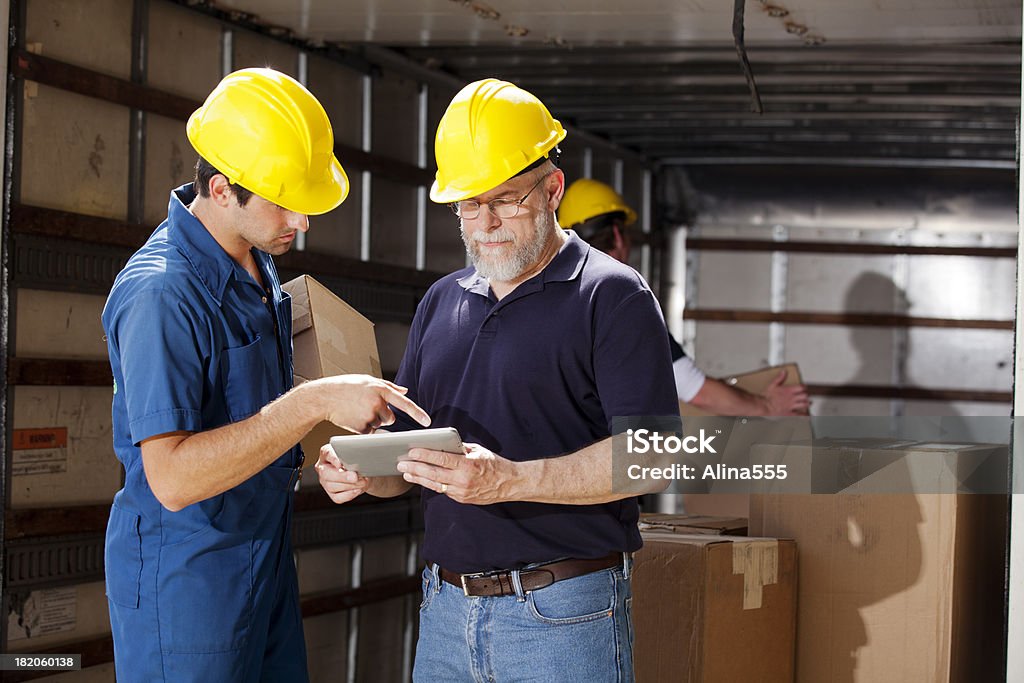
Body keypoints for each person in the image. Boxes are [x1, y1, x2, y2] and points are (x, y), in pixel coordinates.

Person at [315, 78, 678, 682]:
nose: (485, 223)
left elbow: (655, 458)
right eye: (468, 204)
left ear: (553, 187)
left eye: (506, 199)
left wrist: (507, 480)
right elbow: (411, 464)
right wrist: (361, 473)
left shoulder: (611, 296)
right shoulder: (442, 300)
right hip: (445, 612)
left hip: (562, 614)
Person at [101, 68, 429, 683]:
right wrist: (311, 403)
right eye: (284, 201)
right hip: (189, 581)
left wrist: (328, 454)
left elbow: (255, 420)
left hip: (264, 561)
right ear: (223, 189)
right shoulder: (162, 295)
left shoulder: (254, 266)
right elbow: (170, 478)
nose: (301, 221)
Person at [559, 178, 810, 417]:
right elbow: (692, 388)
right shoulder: (621, 300)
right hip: (601, 451)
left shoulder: (552, 297)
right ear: (616, 234)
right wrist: (766, 405)